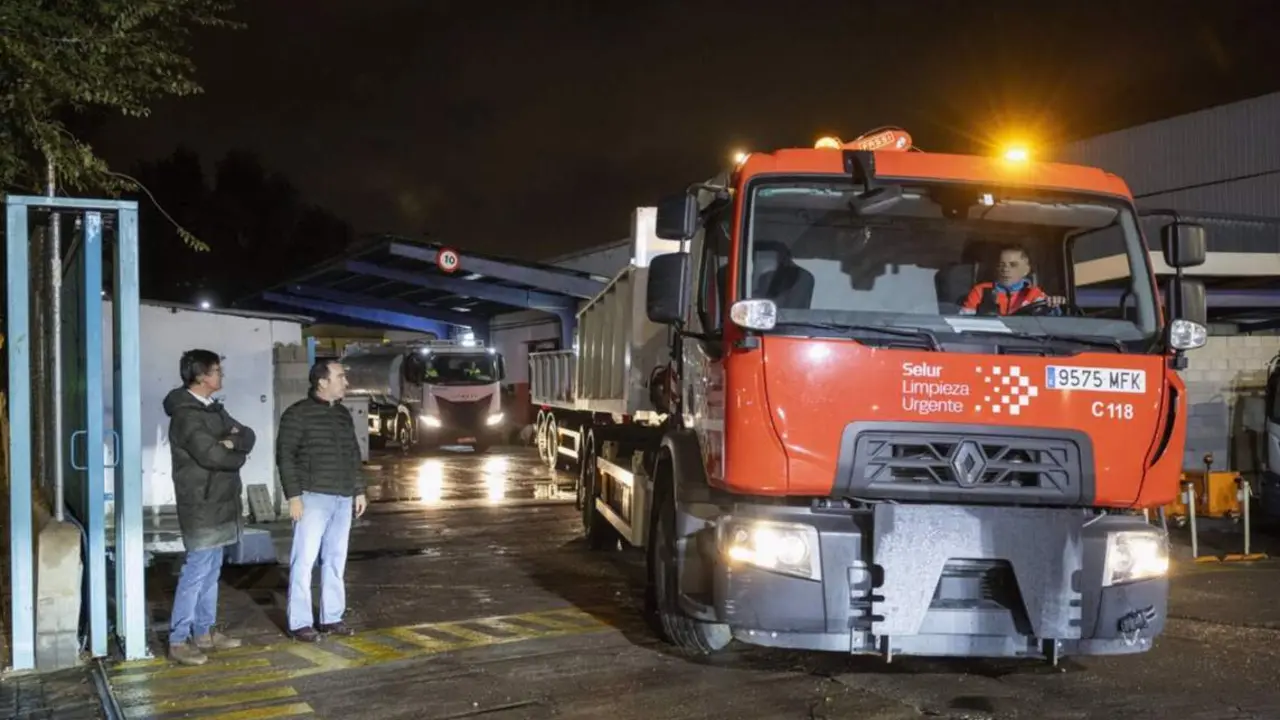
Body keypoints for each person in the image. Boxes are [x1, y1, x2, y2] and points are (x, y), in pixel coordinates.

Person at [163, 349, 255, 666]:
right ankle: (178, 640)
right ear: (201, 376)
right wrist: (236, 452)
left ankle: (203, 632)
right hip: (201, 506)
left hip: (222, 503)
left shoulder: (214, 409)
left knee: (212, 571)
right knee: (196, 572)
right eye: (216, 370)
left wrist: (231, 443)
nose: (221, 376)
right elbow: (211, 456)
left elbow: (248, 434)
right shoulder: (186, 415)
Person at [277, 359, 366, 642]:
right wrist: (294, 496)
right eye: (340, 377)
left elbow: (353, 453)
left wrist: (359, 489)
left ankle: (331, 618)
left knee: (335, 560)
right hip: (312, 498)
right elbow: (285, 457)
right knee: (304, 561)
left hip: (342, 498)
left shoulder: (342, 415)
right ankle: (300, 623)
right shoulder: (297, 415)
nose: (346, 382)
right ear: (322, 382)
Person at [960, 244, 1066, 315]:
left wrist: (1053, 306)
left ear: (1026, 270)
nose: (1006, 269)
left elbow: (1050, 322)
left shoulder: (1035, 294)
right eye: (1002, 265)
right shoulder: (980, 291)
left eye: (1013, 265)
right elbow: (964, 322)